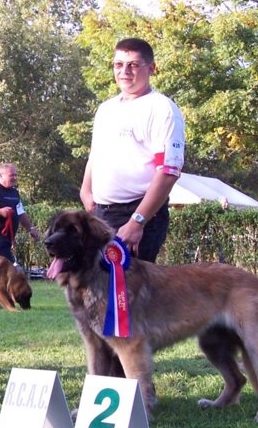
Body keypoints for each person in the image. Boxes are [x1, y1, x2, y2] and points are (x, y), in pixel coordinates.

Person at [79, 37, 185, 263]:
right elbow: (95, 155)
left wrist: (137, 221)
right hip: (101, 213)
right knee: (100, 292)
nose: (125, 71)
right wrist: (86, 192)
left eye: (133, 65)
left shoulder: (162, 109)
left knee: (130, 294)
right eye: (119, 64)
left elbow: (168, 172)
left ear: (152, 68)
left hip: (137, 214)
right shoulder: (105, 109)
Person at [0, 163, 39, 263]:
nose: (15, 178)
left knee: (5, 269)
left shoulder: (14, 192)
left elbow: (20, 213)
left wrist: (31, 228)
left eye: (16, 175)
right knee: (3, 269)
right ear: (1, 176)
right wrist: (0, 212)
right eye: (11, 175)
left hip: (7, 239)